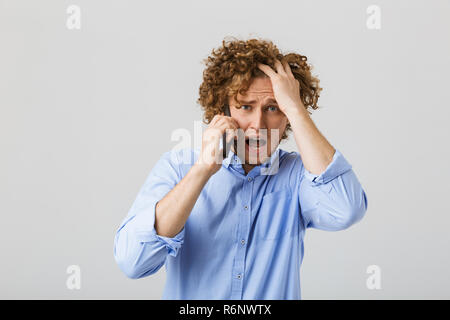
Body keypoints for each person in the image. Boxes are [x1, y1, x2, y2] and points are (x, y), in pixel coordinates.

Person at [113, 37, 368, 299]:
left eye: (273, 108)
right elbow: (134, 262)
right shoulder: (178, 168)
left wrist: (295, 107)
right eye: (245, 107)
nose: (258, 125)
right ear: (222, 111)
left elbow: (346, 209)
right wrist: (202, 171)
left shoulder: (298, 176)